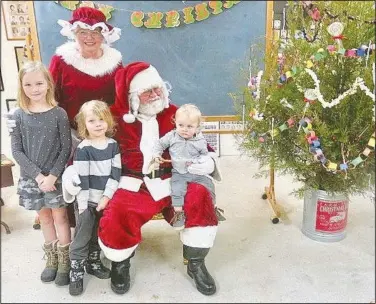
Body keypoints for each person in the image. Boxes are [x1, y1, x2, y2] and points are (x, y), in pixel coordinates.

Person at [63, 61, 223, 296]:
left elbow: (202, 144)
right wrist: (72, 171)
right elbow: (89, 145)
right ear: (132, 96)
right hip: (132, 182)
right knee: (118, 211)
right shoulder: (113, 117)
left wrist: (208, 161)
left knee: (200, 197)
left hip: (174, 179)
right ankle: (121, 262)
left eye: (158, 88)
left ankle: (196, 263)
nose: (156, 94)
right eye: (148, 91)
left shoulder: (173, 113)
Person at [5, 7, 123, 229]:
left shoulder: (115, 62)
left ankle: (102, 220)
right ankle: (62, 221)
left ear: (104, 35)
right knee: (66, 176)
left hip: (101, 131)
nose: (89, 38)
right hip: (65, 129)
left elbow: (121, 96)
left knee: (102, 175)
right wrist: (22, 115)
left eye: (95, 33)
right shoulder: (62, 60)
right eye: (83, 32)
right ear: (74, 33)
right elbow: (48, 93)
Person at [10, 61, 72, 286]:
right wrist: (38, 176)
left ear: (48, 83)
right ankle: (52, 260)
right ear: (21, 87)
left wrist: (53, 176)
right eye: (28, 84)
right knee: (44, 217)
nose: (34, 89)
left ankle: (66, 260)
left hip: (55, 177)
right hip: (32, 178)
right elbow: (16, 150)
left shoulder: (59, 113)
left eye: (39, 83)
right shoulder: (18, 115)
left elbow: (66, 147)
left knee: (61, 217)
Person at [67, 100, 121, 296]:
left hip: (104, 200)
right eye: (92, 120)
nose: (98, 124)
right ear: (84, 124)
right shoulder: (83, 149)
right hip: (86, 202)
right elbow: (83, 181)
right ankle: (76, 271)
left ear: (108, 121)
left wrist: (106, 197)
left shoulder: (113, 145)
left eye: (101, 119)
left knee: (98, 235)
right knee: (82, 236)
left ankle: (93, 262)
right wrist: (83, 207)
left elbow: (116, 174)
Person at [152, 103, 216, 228]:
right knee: (177, 190)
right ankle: (178, 214)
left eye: (189, 126)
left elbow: (205, 155)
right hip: (179, 172)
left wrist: (203, 163)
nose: (184, 129)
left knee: (209, 186)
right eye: (180, 125)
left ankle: (213, 208)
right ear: (175, 122)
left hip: (196, 172)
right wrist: (156, 154)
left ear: (197, 127)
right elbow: (159, 145)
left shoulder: (200, 140)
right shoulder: (172, 136)